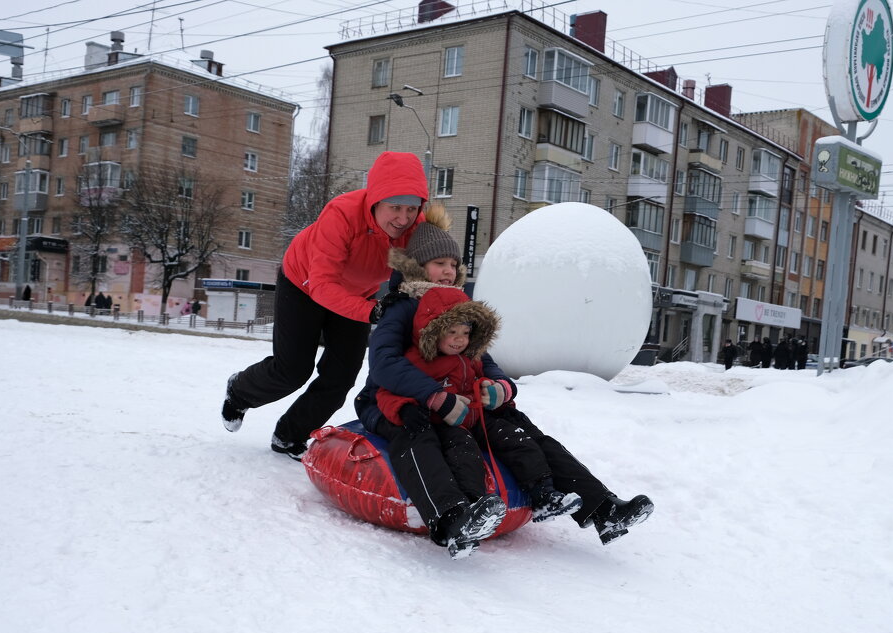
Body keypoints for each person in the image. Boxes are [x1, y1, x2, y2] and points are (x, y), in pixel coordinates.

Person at [355, 204, 653, 548]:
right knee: (418, 434)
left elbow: (481, 356)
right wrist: (434, 396)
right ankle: (451, 516)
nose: (449, 271)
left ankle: (601, 508)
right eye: (440, 264)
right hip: (395, 401)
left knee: (525, 429)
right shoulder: (400, 306)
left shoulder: (457, 305)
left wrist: (500, 387)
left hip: (461, 399)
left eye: (453, 264)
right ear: (417, 266)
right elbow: (384, 364)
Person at [221, 151, 428, 460]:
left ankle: (289, 435)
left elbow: (421, 272)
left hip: (358, 293)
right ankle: (239, 391)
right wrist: (372, 311)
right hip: (304, 284)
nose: (403, 218)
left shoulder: (416, 227)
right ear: (375, 201)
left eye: (411, 209)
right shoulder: (342, 214)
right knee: (292, 370)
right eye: (395, 207)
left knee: (341, 376)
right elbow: (322, 285)